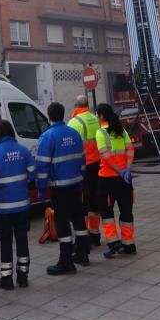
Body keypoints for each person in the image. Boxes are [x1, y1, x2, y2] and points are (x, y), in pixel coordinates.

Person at [36, 102, 89, 274]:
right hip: (76, 184)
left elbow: (42, 166)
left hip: (59, 187)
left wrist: (42, 189)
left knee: (62, 223)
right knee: (78, 218)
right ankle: (83, 254)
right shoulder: (74, 133)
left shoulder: (47, 137)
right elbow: (82, 160)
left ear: (49, 117)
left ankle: (66, 261)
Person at [0, 120, 36, 290]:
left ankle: (6, 279)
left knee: (5, 241)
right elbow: (33, 173)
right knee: (22, 239)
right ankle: (23, 276)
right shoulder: (23, 150)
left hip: (3, 207)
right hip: (22, 205)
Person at [96, 103, 136, 258]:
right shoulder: (121, 130)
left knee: (106, 210)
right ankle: (128, 244)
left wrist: (119, 171)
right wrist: (126, 170)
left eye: (97, 115)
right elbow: (130, 149)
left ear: (101, 116)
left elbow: (105, 155)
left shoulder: (101, 133)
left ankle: (114, 243)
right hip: (125, 179)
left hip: (107, 178)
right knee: (126, 210)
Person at [68, 94, 101, 246]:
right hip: (98, 165)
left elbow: (69, 147)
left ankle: (85, 235)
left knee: (84, 203)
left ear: (75, 106)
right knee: (95, 201)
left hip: (83, 167)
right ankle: (95, 234)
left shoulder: (75, 122)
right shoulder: (95, 118)